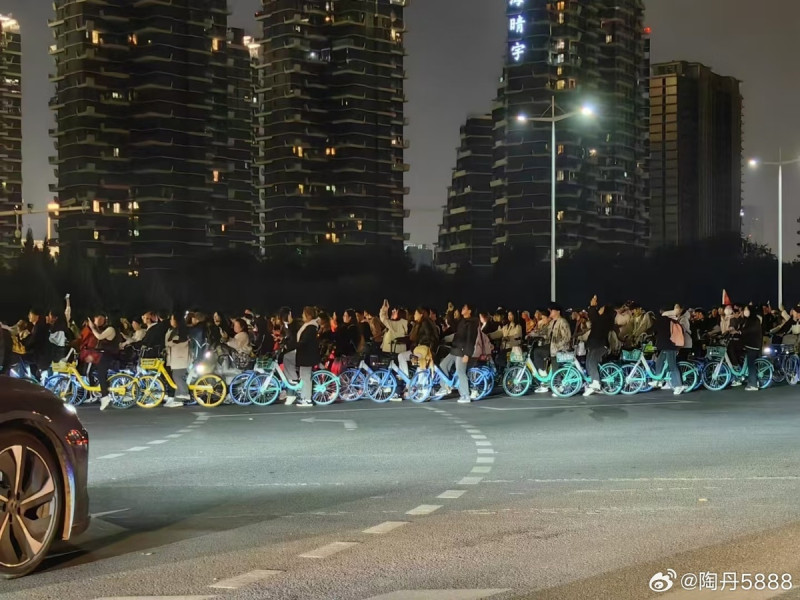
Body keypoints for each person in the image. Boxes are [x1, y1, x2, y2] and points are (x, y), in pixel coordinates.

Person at [439, 303, 479, 403]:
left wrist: (467, 354)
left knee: (460, 371)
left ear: (469, 311)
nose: (462, 309)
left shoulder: (472, 323)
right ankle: (444, 387)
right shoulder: (462, 320)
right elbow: (452, 323)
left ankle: (465, 395)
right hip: (455, 349)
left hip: (462, 351)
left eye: (464, 308)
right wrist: (450, 311)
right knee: (443, 365)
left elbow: (471, 340)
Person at [532, 303, 571, 393]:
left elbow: (567, 337)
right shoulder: (553, 322)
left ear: (558, 312)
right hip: (552, 347)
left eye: (552, 310)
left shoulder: (563, 322)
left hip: (560, 349)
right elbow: (545, 332)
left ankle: (558, 387)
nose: (550, 312)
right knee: (537, 351)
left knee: (555, 367)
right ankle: (544, 376)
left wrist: (558, 346)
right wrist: (533, 334)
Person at [584, 296, 614, 397]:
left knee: (592, 361)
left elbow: (594, 318)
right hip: (595, 345)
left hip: (600, 346)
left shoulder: (604, 320)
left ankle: (596, 383)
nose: (599, 309)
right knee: (588, 362)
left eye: (601, 308)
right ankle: (594, 381)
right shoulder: (603, 319)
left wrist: (592, 306)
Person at [651, 306, 685, 396]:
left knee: (672, 365)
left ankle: (678, 385)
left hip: (670, 346)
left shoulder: (664, 320)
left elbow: (654, 330)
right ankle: (658, 380)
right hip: (668, 346)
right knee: (659, 361)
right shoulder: (672, 320)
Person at [290, 306, 320, 407]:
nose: (302, 316)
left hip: (307, 355)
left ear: (309, 315)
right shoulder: (309, 325)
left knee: (306, 377)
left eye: (304, 314)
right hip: (305, 355)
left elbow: (304, 341)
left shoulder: (311, 327)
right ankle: (304, 397)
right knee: (304, 376)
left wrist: (293, 346)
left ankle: (307, 399)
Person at [89, 313, 120, 410]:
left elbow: (99, 336)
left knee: (101, 374)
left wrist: (92, 328)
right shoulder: (111, 328)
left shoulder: (111, 329)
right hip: (106, 354)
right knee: (99, 373)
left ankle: (105, 396)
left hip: (107, 355)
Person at [398, 307, 439, 377]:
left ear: (421, 314)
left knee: (405, 358)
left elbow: (430, 337)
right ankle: (406, 378)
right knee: (401, 356)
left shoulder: (425, 323)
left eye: (416, 313)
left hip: (424, 351)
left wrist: (426, 347)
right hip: (418, 349)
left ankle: (408, 379)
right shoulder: (418, 324)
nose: (414, 315)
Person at [164, 312, 191, 408]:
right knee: (176, 377)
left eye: (172, 319)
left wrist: (170, 343)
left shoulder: (181, 331)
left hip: (180, 358)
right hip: (176, 358)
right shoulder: (175, 330)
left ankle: (184, 393)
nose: (171, 321)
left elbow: (181, 343)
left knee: (177, 377)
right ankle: (177, 399)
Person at [737, 305, 763, 392]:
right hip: (748, 344)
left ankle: (753, 384)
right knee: (749, 363)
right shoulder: (747, 320)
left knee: (751, 365)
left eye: (747, 310)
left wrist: (741, 331)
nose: (745, 311)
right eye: (744, 310)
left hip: (753, 345)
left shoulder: (755, 320)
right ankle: (753, 381)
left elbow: (750, 330)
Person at [22, 307, 50, 373]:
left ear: (36, 315)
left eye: (30, 314)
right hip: (39, 355)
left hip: (38, 356)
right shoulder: (38, 326)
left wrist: (23, 344)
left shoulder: (39, 327)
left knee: (20, 358)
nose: (29, 316)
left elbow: (33, 341)